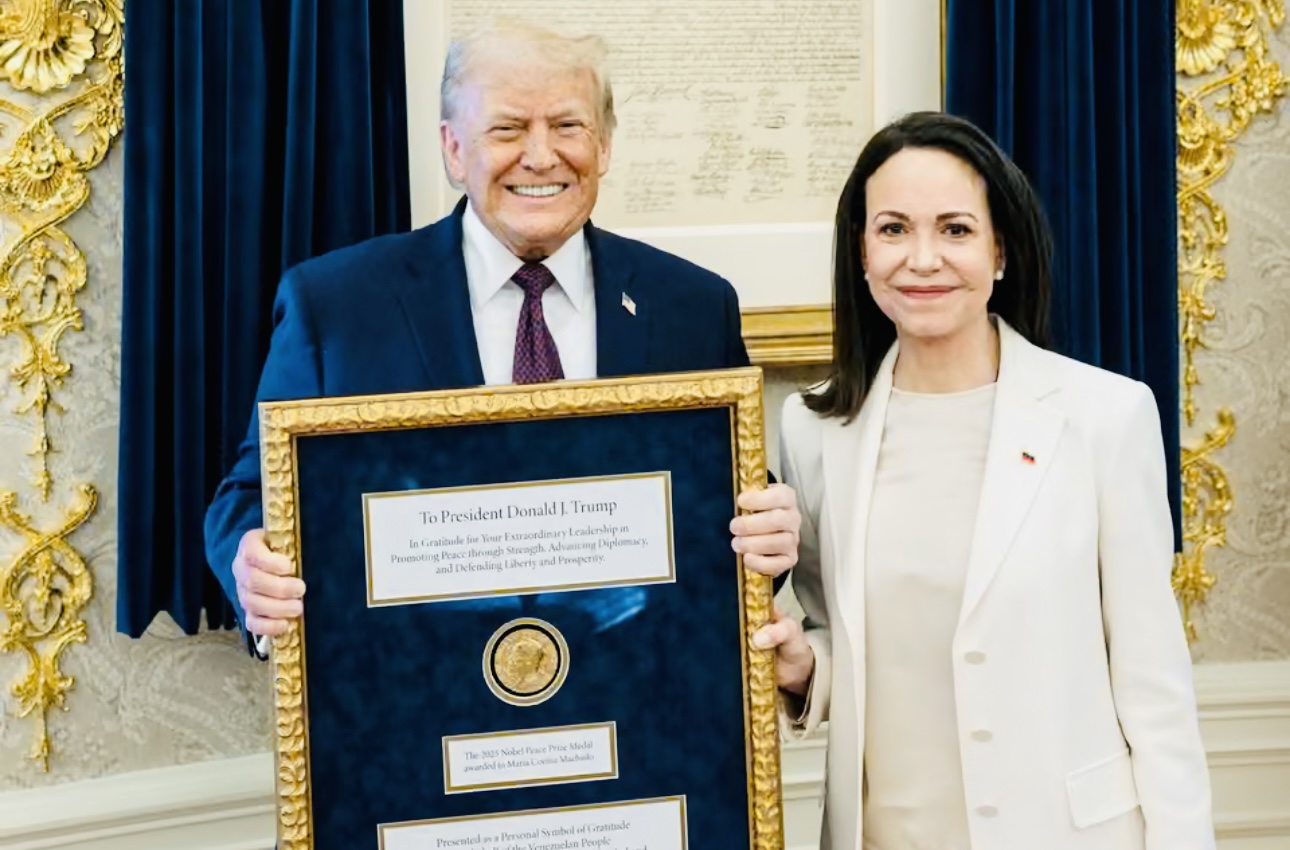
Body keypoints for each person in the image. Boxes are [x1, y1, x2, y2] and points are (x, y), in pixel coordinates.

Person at [204, 20, 800, 647]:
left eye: (568, 126)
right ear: (454, 149)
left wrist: (771, 537)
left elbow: (733, 509)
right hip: (414, 696)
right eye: (508, 129)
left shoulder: (693, 307)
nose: (541, 156)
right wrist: (253, 567)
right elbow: (251, 496)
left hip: (635, 693)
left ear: (604, 145)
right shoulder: (336, 306)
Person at [752, 112, 1215, 849]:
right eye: (894, 229)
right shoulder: (814, 431)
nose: (923, 258)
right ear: (861, 253)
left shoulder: (1105, 417)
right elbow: (840, 636)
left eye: (956, 230)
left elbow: (1154, 684)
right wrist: (806, 668)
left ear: (1001, 250)